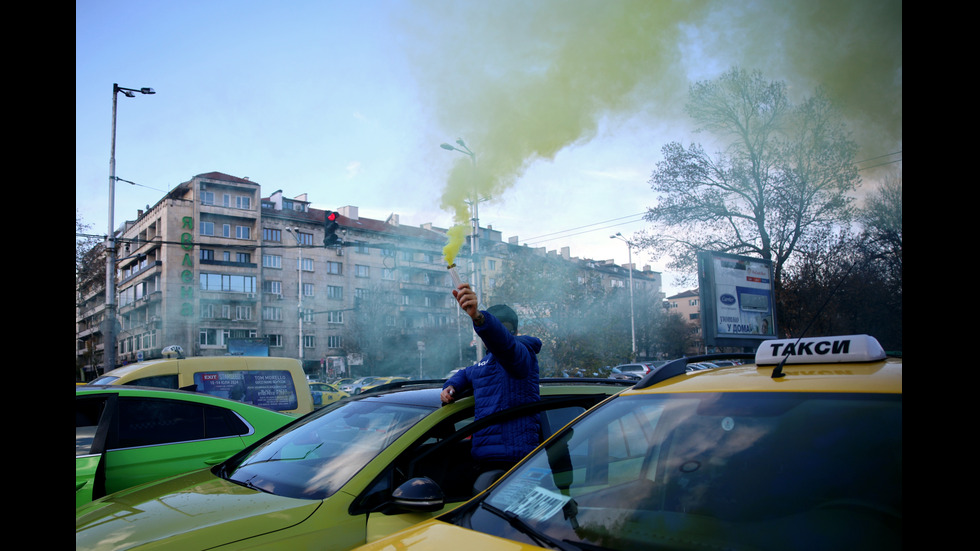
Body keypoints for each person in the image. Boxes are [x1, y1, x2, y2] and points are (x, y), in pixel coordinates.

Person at [442, 283, 542, 474]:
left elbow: (505, 346)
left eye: (504, 330)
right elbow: (467, 373)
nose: (499, 336)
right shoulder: (485, 363)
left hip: (514, 461)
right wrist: (451, 386)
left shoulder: (521, 353)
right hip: (484, 457)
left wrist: (479, 318)